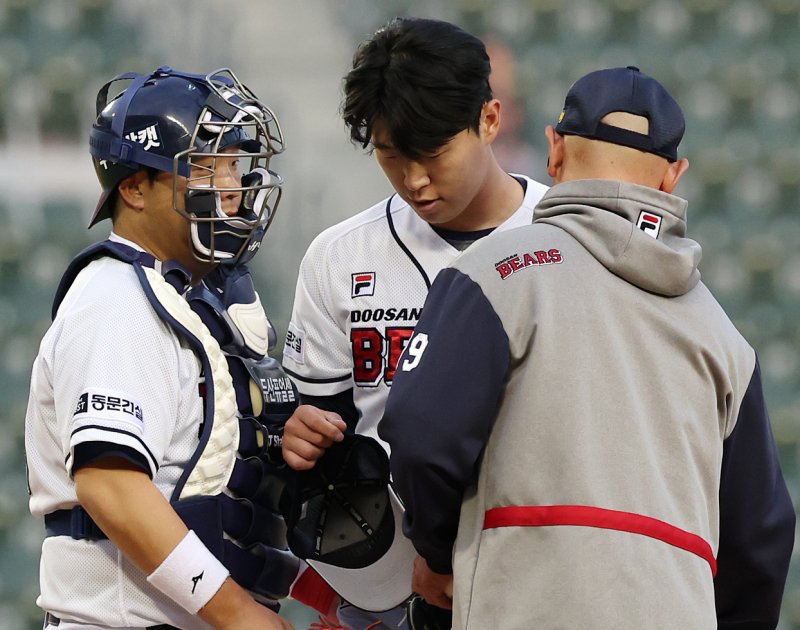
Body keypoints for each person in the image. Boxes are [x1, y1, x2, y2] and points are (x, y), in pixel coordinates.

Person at [379, 66, 796, 629]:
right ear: (674, 176)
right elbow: (761, 538)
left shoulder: (497, 272)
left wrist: (436, 551)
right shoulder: (726, 341)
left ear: (554, 151)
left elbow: (419, 430)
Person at [279, 16, 548, 630]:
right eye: (392, 156)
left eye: (432, 153)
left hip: (539, 567)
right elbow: (320, 438)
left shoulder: (567, 238)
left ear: (489, 119)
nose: (415, 180)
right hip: (389, 582)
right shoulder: (340, 257)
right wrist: (298, 435)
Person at [24, 65, 301, 630]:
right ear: (134, 187)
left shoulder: (192, 295)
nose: (233, 184)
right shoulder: (117, 298)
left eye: (233, 164)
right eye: (207, 167)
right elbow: (110, 484)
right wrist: (237, 614)